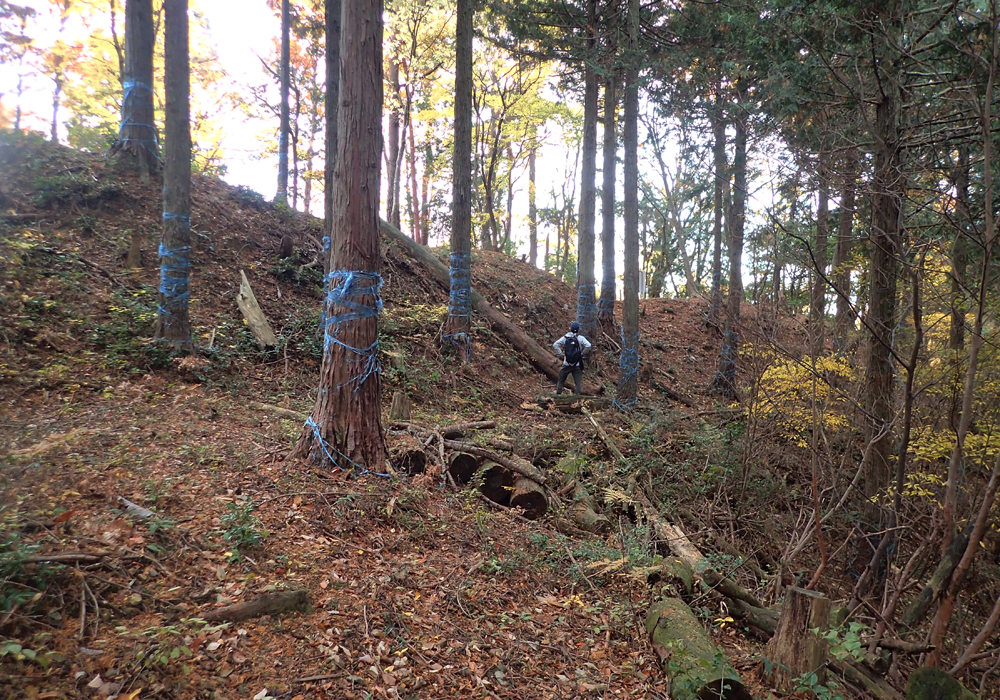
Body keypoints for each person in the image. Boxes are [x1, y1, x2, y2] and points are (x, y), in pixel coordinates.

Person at [553, 321, 592, 395]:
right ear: (578, 330)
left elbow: (555, 345)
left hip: (566, 363)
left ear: (570, 329)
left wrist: (561, 354)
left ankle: (558, 396)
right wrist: (582, 353)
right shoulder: (580, 338)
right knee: (578, 383)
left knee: (561, 380)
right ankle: (577, 399)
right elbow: (588, 345)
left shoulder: (565, 338)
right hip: (577, 364)